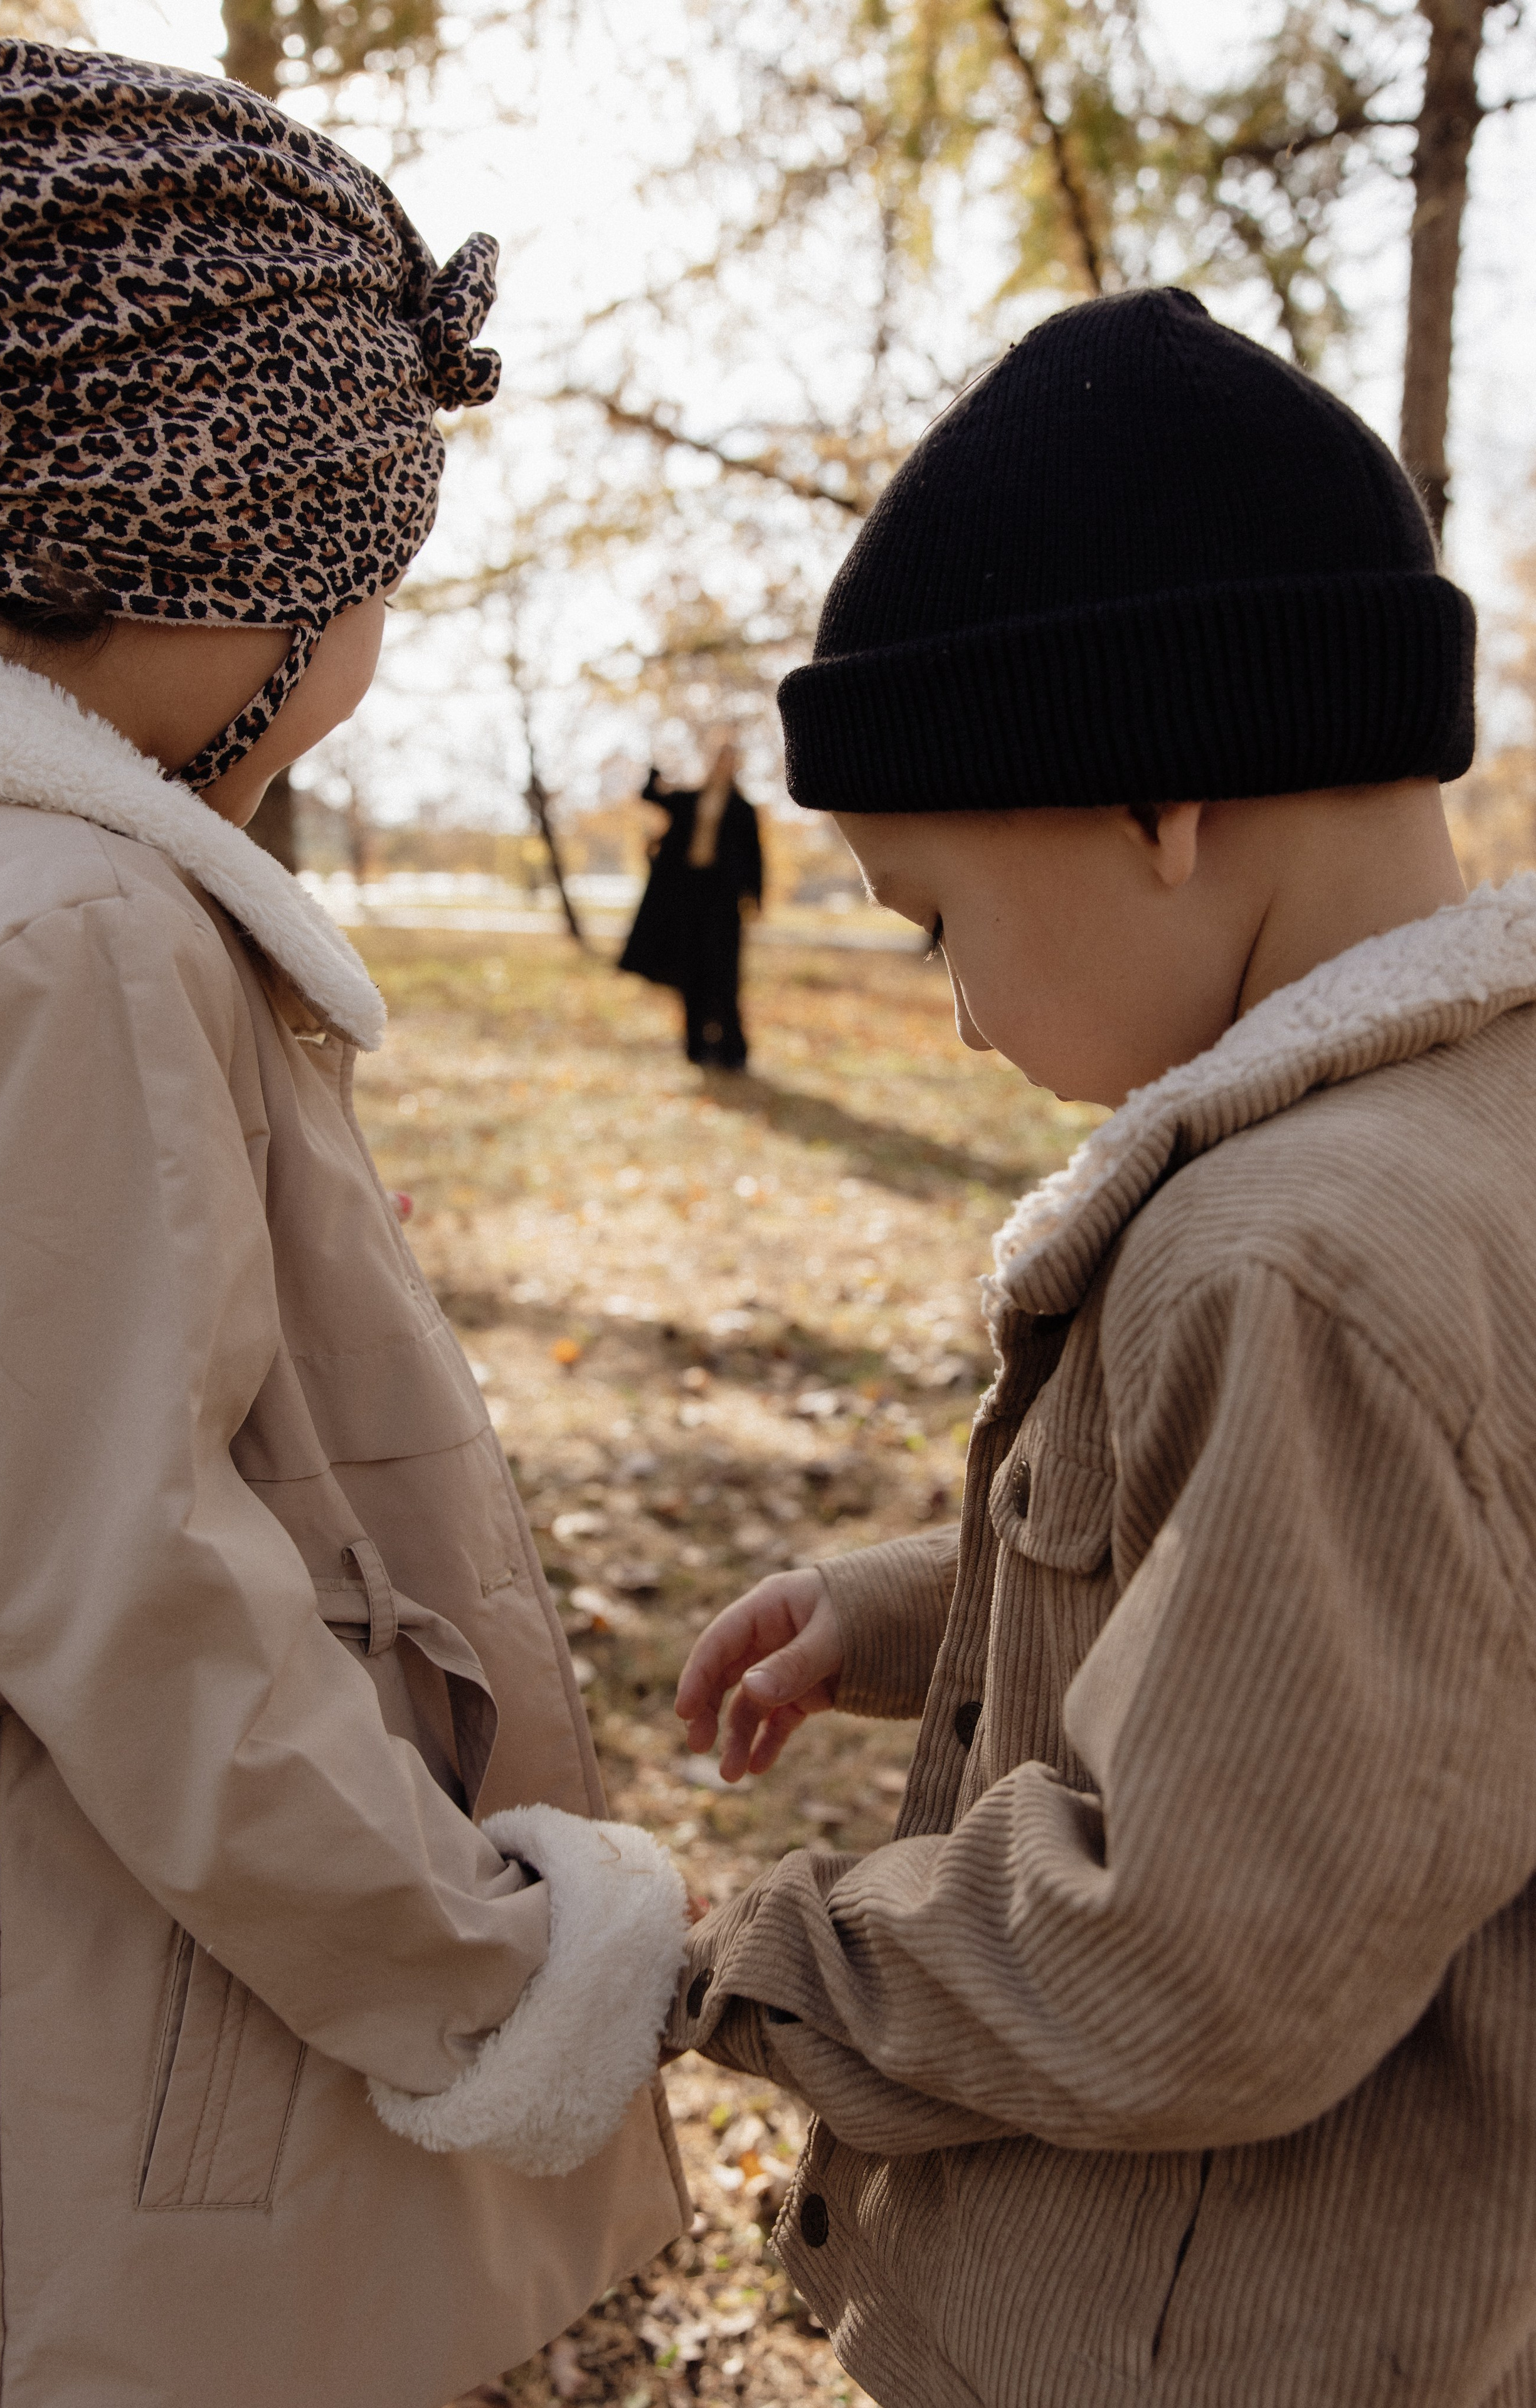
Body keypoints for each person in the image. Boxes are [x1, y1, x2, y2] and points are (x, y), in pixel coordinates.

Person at [668, 289, 1536, 2408]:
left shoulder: (1291, 1253)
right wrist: (908, 1610)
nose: (955, 1011)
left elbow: (1200, 1961)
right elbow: (1408, 1627)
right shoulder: (1478, 1139)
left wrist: (735, 1962)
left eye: (936, 918)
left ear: (1158, 798)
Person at [0, 41, 688, 2408]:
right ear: (213, 558)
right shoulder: (70, 933)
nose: (365, 661)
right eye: (367, 576)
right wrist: (483, 1971)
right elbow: (132, 1585)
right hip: (106, 2077)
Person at [618, 738, 763, 1067]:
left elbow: (754, 856)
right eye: (721, 758)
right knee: (692, 970)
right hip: (688, 895)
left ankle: (731, 1051)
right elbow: (650, 796)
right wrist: (655, 764)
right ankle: (695, 1046)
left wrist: (754, 896)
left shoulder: (743, 808)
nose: (725, 764)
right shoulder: (689, 799)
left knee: (724, 974)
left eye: (732, 759)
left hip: (723, 899)